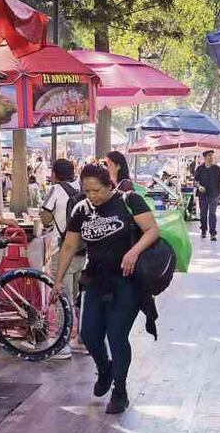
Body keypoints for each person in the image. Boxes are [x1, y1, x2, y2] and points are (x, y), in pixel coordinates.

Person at [53, 164, 159, 414]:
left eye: (97, 190)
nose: (92, 196)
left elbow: (152, 230)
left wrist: (134, 252)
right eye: (87, 191)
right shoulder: (81, 209)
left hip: (126, 280)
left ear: (109, 185)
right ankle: (105, 368)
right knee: (88, 334)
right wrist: (58, 280)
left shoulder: (128, 201)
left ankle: (119, 391)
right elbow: (69, 246)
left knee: (117, 335)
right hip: (95, 280)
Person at [41, 158, 86, 359]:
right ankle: (82, 340)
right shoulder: (81, 187)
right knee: (77, 297)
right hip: (82, 250)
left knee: (60, 295)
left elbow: (45, 217)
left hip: (63, 250)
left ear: (56, 174)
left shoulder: (56, 190)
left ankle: (61, 344)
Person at [194, 150, 220, 241]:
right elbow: (195, 181)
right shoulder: (199, 169)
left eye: (212, 156)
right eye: (209, 156)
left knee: (212, 213)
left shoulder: (216, 168)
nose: (211, 157)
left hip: (213, 194)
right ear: (205, 157)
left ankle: (212, 233)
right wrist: (199, 186)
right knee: (203, 214)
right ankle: (203, 230)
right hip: (203, 195)